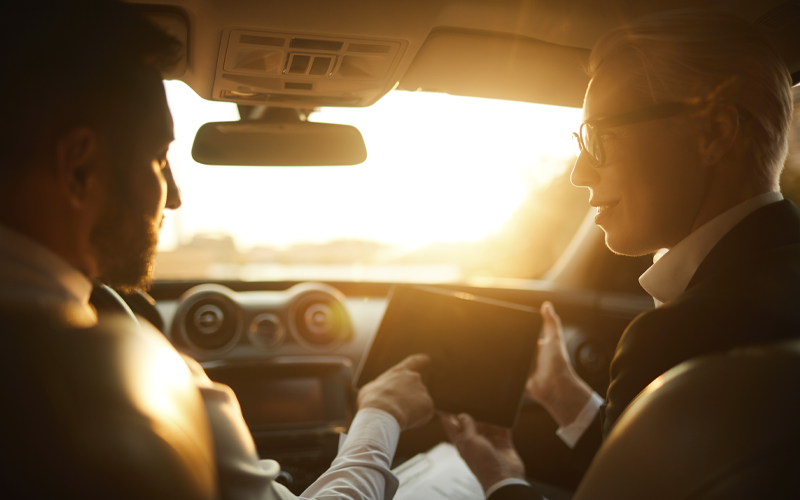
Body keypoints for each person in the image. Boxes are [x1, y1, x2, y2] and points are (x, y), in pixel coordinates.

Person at [0, 1, 434, 499]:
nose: (176, 197)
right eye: (160, 159)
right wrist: (381, 414)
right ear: (79, 169)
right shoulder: (159, 387)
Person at [441, 10, 800, 499]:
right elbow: (676, 475)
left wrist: (501, 478)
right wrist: (563, 395)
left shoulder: (677, 338)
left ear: (713, 133)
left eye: (600, 138)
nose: (580, 174)